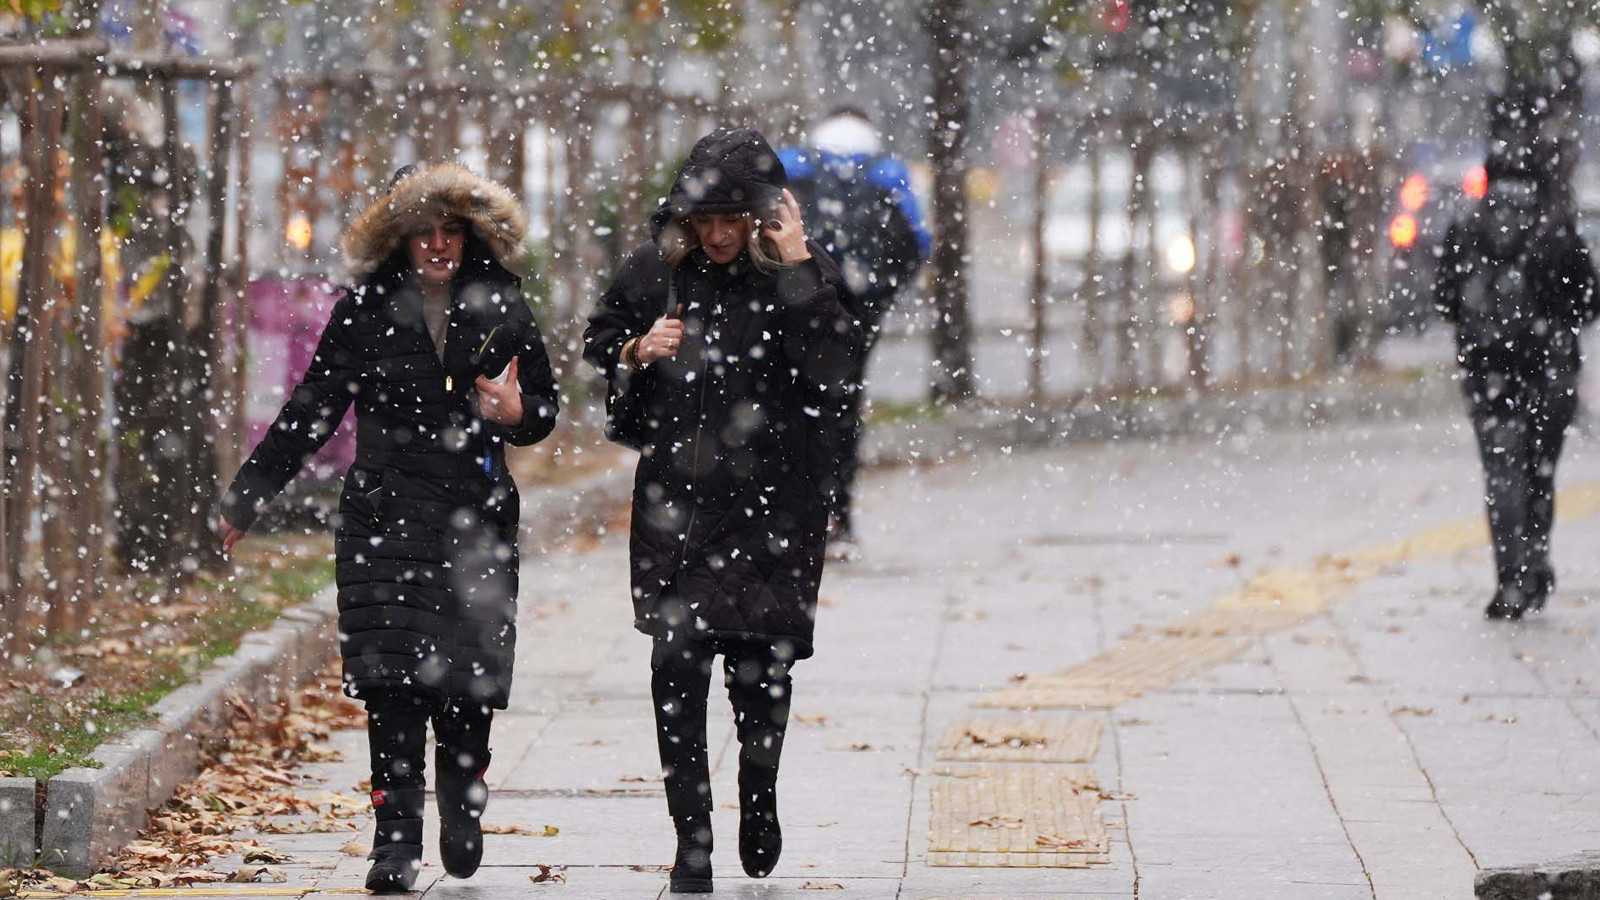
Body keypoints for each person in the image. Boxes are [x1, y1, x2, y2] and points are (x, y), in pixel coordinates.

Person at [217, 163, 560, 891]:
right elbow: (312, 409)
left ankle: (464, 804)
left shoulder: (504, 303)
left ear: (471, 234)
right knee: (393, 685)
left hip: (476, 518)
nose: (437, 246)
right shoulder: (364, 309)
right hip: (385, 517)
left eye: (451, 231)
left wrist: (515, 415)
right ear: (397, 238)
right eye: (422, 232)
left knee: (468, 683)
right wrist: (246, 499)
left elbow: (544, 410)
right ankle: (395, 843)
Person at [583, 127, 862, 893]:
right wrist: (639, 351)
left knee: (759, 674)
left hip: (776, 509)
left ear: (762, 216)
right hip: (680, 506)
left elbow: (837, 370)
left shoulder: (801, 273)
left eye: (732, 220)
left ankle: (760, 794)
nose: (715, 235)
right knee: (675, 672)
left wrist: (803, 265)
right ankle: (691, 840)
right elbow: (599, 342)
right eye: (704, 220)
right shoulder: (659, 271)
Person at [1434, 97, 1598, 620]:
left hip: (1488, 372)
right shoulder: (1556, 230)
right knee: (1539, 470)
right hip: (1549, 373)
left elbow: (1444, 302)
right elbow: (1590, 303)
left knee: (1502, 472)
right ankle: (1535, 560)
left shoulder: (1465, 228)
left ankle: (1510, 578)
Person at [779, 107, 930, 559]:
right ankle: (837, 520)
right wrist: (878, 297)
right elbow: (918, 241)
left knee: (785, 403)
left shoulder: (793, 164)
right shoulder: (886, 171)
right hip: (857, 308)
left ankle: (786, 520)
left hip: (794, 303)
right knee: (842, 409)